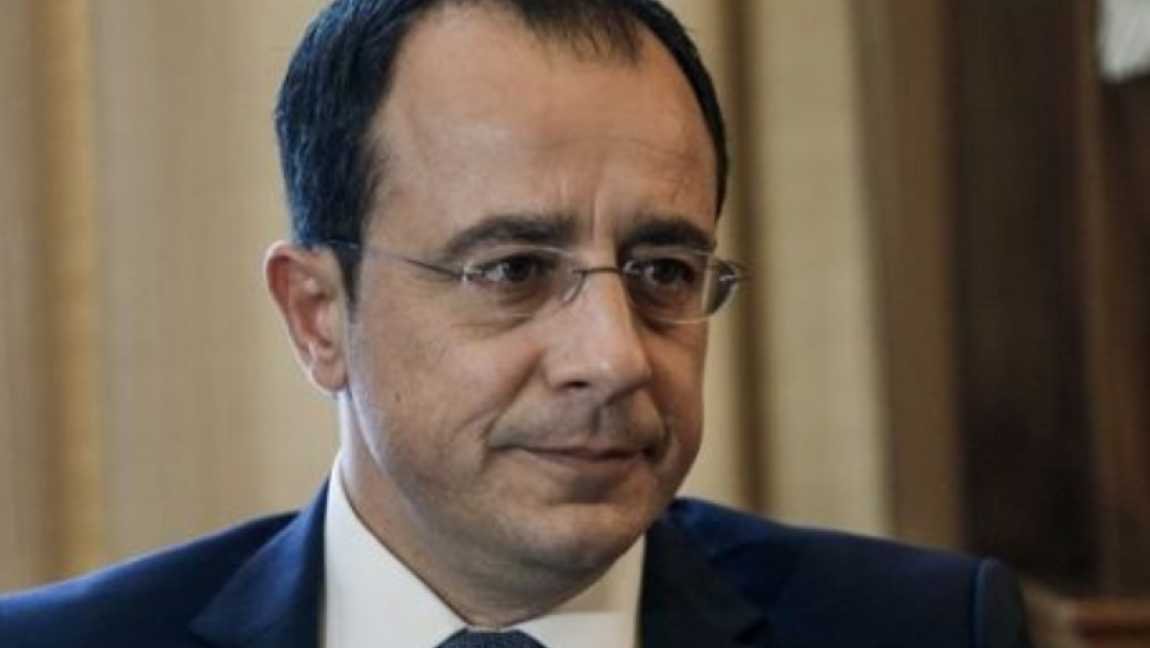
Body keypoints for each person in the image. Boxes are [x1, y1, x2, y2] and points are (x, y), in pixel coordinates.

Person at [0, 1, 1033, 646]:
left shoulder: (927, 630)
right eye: (512, 271)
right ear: (318, 317)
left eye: (663, 271)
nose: (615, 357)